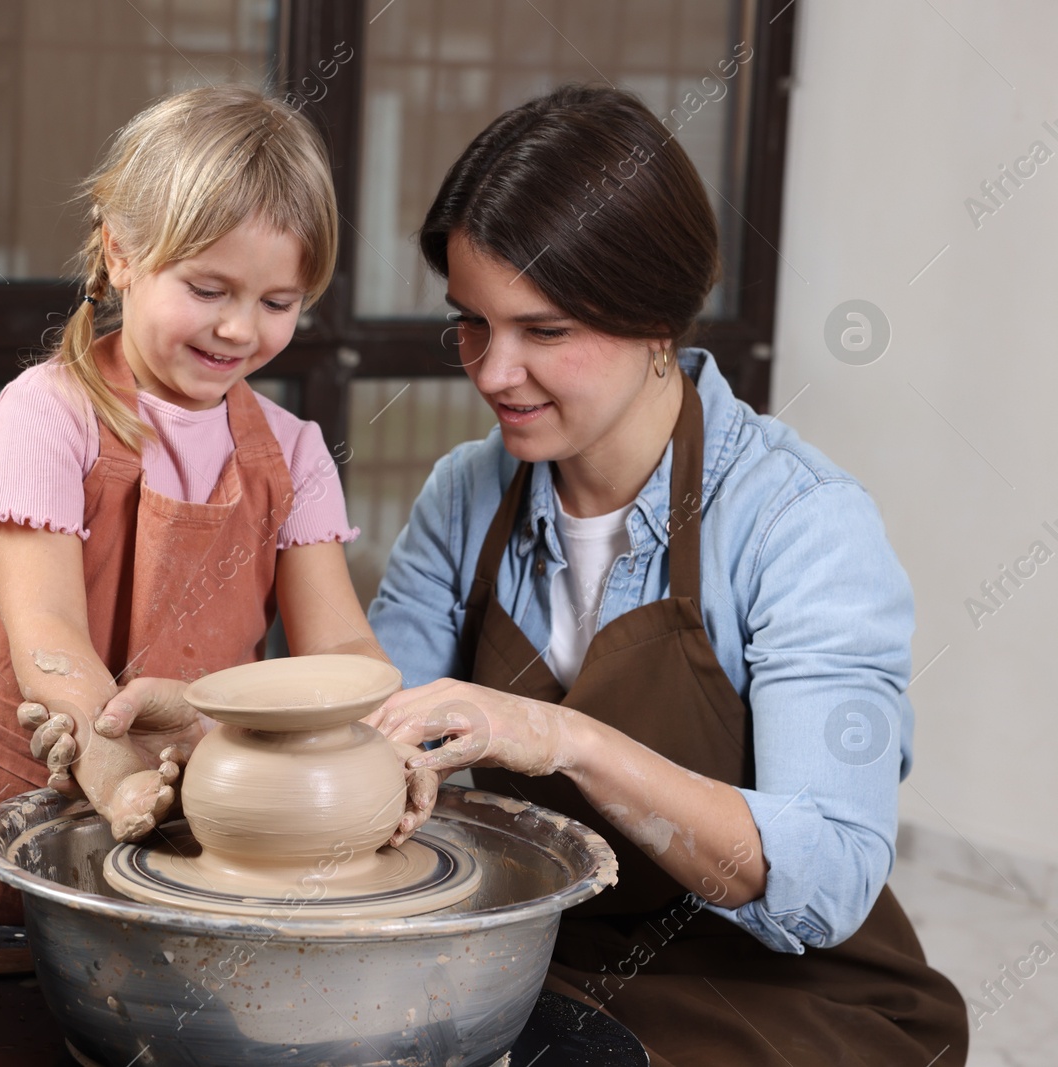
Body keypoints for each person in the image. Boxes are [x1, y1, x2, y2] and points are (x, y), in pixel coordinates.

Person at [362, 85, 969, 1065]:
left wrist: (561, 736)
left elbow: (829, 877)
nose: (491, 371)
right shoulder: (466, 494)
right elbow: (375, 725)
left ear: (659, 322)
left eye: (543, 330)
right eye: (471, 322)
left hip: (773, 984)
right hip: (548, 944)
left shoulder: (801, 522)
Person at [0, 85, 385, 925]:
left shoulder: (294, 454)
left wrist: (378, 739)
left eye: (276, 303)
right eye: (208, 288)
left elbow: (340, 647)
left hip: (209, 814)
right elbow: (49, 645)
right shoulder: (49, 413)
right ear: (120, 254)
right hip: (27, 811)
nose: (237, 330)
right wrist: (111, 766)